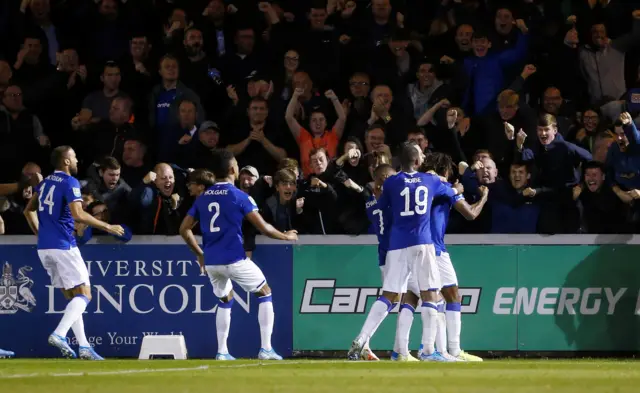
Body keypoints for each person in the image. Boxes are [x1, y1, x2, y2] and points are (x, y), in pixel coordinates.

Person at [179, 149, 298, 361]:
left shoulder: (202, 197)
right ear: (233, 169)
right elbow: (264, 228)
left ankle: (222, 352)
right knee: (265, 292)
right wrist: (285, 236)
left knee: (225, 300)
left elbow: (184, 229)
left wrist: (199, 254)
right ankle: (266, 349)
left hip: (212, 262)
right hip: (234, 258)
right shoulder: (240, 196)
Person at [347, 143, 458, 362]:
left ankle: (361, 339)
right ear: (417, 162)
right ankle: (428, 350)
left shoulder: (391, 183)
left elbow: (383, 207)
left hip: (397, 245)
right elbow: (452, 193)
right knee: (430, 293)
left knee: (389, 295)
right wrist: (456, 189)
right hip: (423, 242)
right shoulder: (431, 180)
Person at [23, 146, 125, 360]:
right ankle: (60, 334)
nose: (77, 159)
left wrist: (40, 234)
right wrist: (108, 227)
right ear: (66, 161)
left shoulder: (46, 183)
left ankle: (85, 346)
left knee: (73, 297)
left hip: (45, 248)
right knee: (85, 294)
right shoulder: (70, 182)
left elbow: (28, 210)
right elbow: (78, 214)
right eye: (74, 156)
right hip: (64, 246)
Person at [411, 152, 488, 361]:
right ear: (444, 170)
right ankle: (430, 350)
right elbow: (471, 214)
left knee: (450, 296)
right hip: (431, 249)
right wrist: (484, 197)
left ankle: (450, 350)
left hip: (431, 247)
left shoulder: (423, 185)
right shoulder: (441, 187)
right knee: (434, 298)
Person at [360, 163, 396, 361]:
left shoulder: (370, 204)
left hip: (384, 254)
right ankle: (363, 340)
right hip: (395, 253)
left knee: (395, 298)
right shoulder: (390, 204)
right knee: (396, 297)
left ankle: (365, 341)